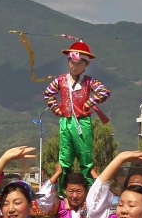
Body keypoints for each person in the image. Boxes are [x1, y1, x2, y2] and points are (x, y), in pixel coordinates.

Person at [42, 40, 110, 189]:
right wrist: (57, 110)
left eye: (79, 63)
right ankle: (62, 191)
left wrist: (88, 103)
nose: (75, 66)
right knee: (64, 158)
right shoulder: (61, 80)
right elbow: (48, 93)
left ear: (86, 65)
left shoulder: (89, 81)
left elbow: (104, 92)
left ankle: (90, 190)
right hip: (65, 122)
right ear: (68, 62)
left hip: (82, 121)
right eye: (72, 62)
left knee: (85, 158)